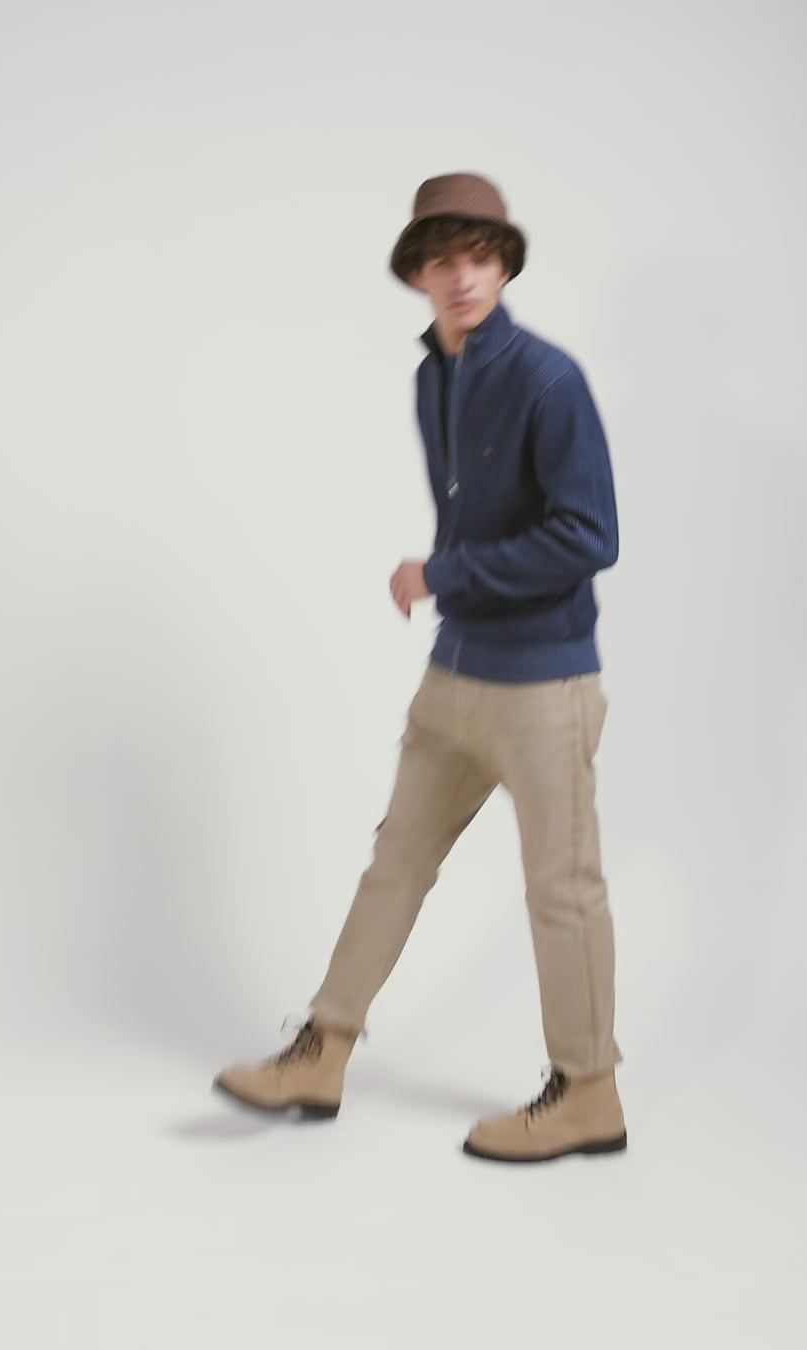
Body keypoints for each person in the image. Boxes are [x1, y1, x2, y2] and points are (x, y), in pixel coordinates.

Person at [214, 172, 627, 1164]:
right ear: (417, 276)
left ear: (504, 267)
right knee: (394, 864)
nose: (463, 278)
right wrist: (454, 587)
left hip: (544, 685)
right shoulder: (432, 377)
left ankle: (589, 1094)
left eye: (480, 258)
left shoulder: (549, 380)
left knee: (561, 890)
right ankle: (323, 1053)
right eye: (444, 261)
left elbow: (590, 535)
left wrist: (444, 573)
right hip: (454, 677)